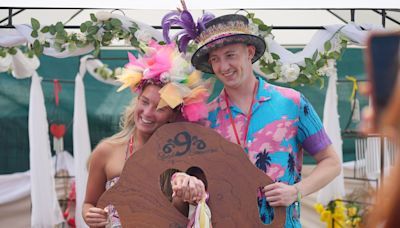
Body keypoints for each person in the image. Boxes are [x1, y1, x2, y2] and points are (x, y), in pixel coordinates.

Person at [188, 14, 341, 227]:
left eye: (230, 55)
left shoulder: (292, 102)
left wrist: (296, 191)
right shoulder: (205, 117)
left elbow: (331, 162)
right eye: (215, 59)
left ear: (249, 53)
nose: (223, 66)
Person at [82, 41, 209, 227]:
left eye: (160, 108)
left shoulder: (183, 158)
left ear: (172, 115)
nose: (148, 112)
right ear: (137, 100)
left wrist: (185, 192)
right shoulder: (106, 151)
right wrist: (89, 214)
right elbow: (89, 203)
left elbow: (180, 216)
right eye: (144, 102)